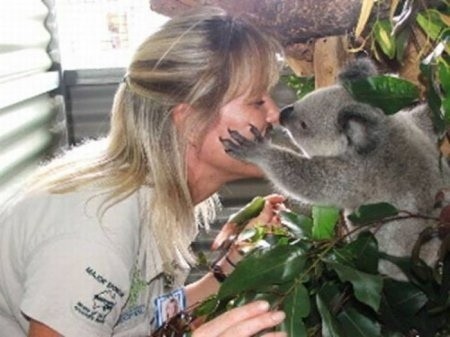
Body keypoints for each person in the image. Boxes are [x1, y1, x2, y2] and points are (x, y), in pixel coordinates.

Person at [0, 6, 288, 337]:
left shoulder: (154, 195)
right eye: (256, 101)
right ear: (191, 121)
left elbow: (141, 316)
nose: (275, 114)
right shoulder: (95, 231)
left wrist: (234, 262)